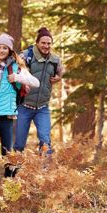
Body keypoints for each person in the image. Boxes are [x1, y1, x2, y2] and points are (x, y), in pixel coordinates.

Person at [0, 33, 39, 172]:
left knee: (7, 152)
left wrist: (17, 78)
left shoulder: (15, 68)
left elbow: (36, 82)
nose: (1, 50)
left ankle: (9, 185)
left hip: (6, 115)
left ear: (10, 51)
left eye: (5, 48)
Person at [13, 27, 64, 156]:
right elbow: (14, 71)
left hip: (42, 108)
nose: (46, 46)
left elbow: (61, 71)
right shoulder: (25, 56)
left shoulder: (55, 60)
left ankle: (45, 174)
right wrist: (23, 81)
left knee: (45, 142)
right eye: (43, 43)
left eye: (49, 43)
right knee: (19, 144)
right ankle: (13, 175)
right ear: (37, 43)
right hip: (23, 106)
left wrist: (59, 77)